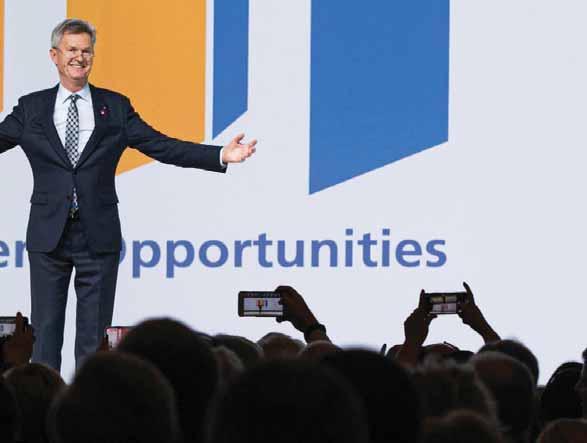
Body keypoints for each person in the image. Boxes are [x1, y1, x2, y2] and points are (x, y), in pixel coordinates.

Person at [0, 18, 257, 371]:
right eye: (71, 50)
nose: (79, 57)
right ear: (54, 56)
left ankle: (89, 403)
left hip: (97, 236)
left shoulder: (115, 107)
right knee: (44, 337)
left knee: (94, 342)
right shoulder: (32, 108)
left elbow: (161, 145)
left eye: (86, 51)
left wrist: (219, 155)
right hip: (48, 236)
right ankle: (41, 404)